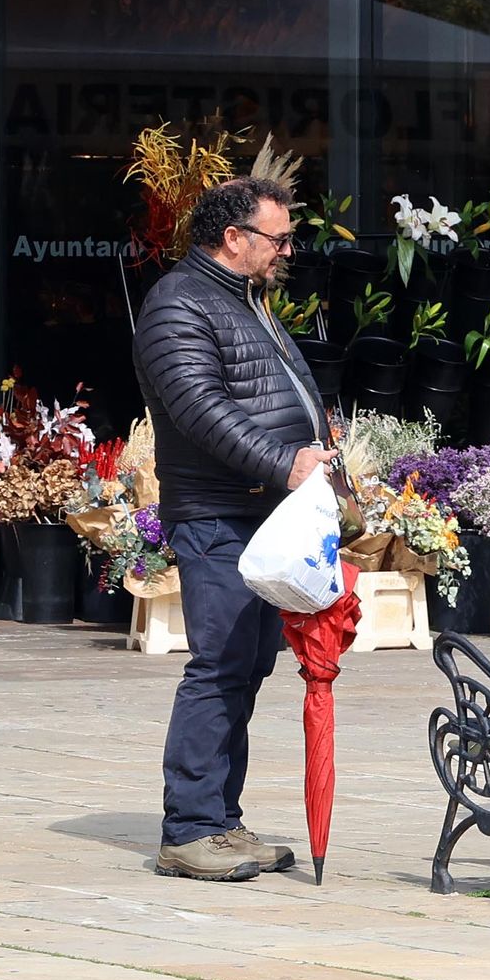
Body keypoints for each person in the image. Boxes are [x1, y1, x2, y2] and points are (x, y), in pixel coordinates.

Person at [133, 177, 336, 882]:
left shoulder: (244, 301)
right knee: (218, 664)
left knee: (248, 665)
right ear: (233, 238)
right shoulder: (179, 305)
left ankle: (220, 819)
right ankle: (189, 827)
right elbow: (201, 409)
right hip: (219, 515)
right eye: (277, 238)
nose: (286, 250)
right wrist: (287, 461)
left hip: (263, 513)